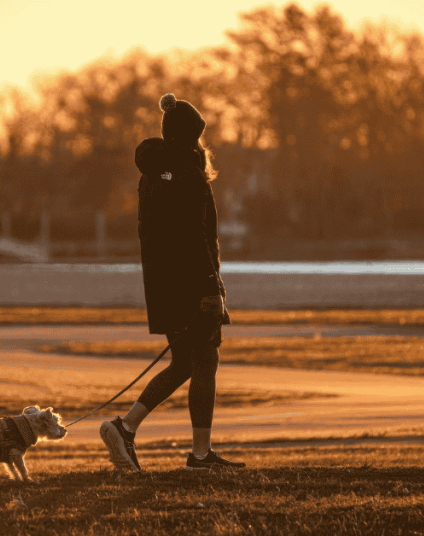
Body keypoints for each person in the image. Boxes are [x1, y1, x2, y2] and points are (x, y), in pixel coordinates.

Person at [100, 93, 245, 471]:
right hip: (193, 285)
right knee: (206, 360)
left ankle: (125, 428)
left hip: (163, 287)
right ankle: (200, 455)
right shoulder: (190, 175)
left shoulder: (152, 176)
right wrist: (211, 287)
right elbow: (196, 237)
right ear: (192, 136)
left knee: (183, 363)